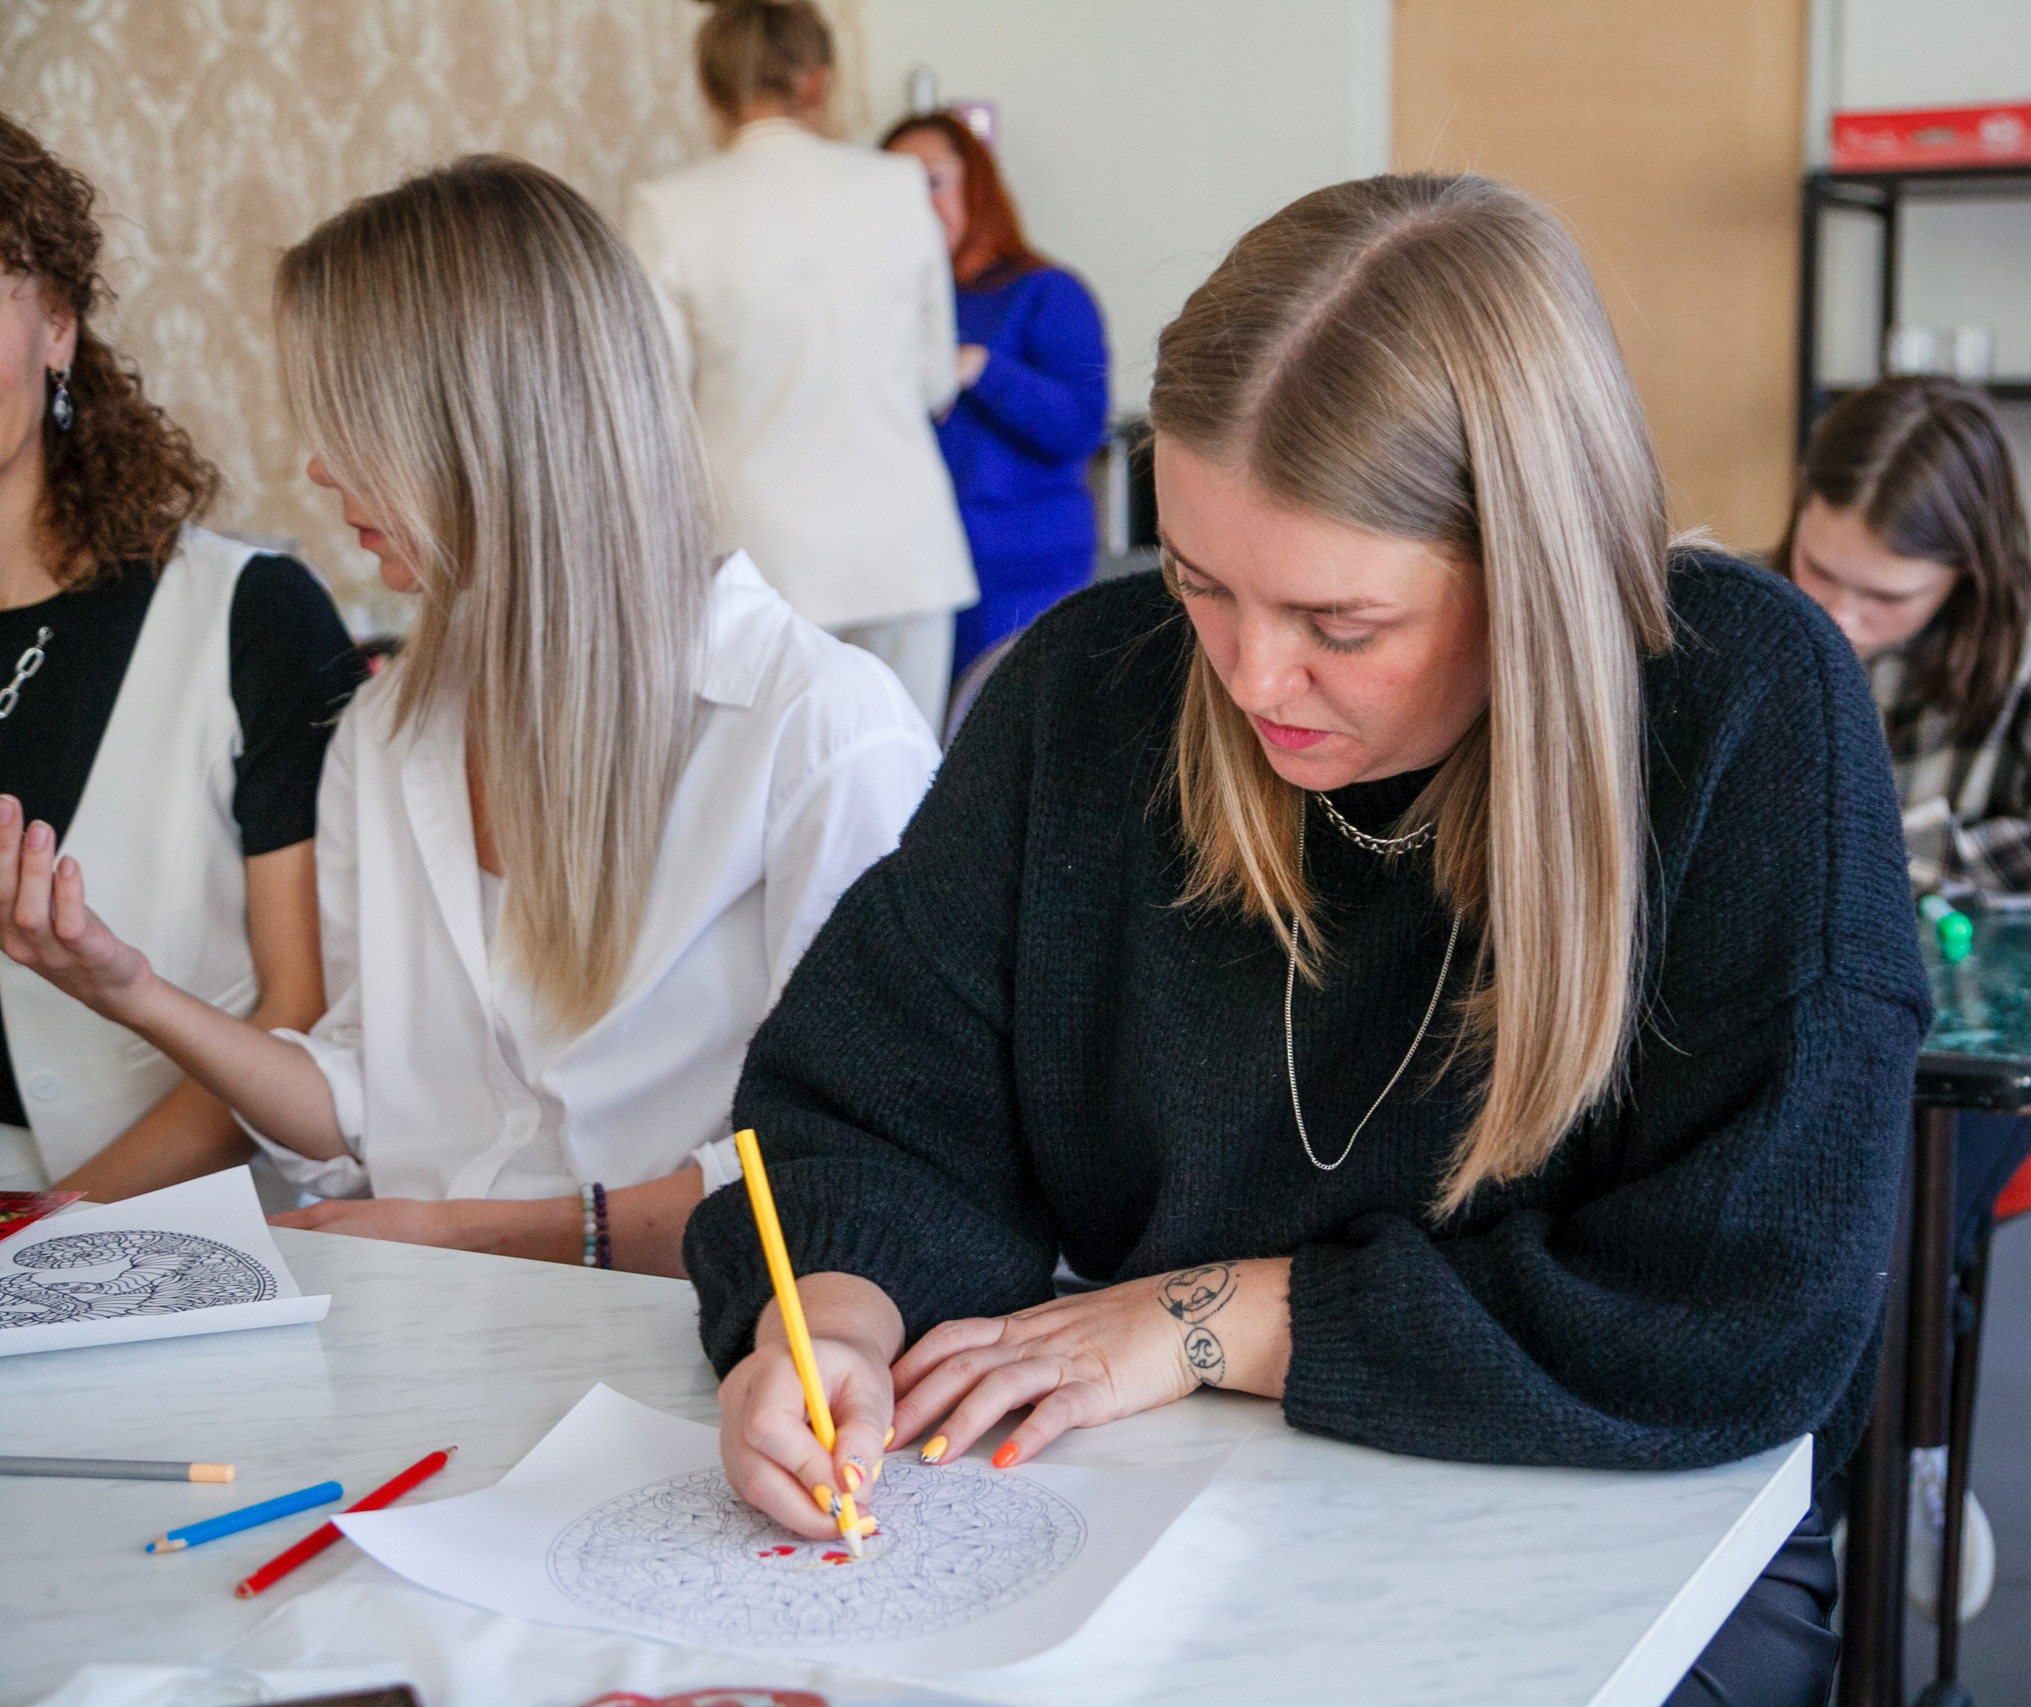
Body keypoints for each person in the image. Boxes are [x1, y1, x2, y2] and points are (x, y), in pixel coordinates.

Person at [688, 174, 1929, 1707]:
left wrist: (1217, 1318)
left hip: (1635, 1516)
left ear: (1533, 566)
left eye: (1340, 624)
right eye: (1200, 581)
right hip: (1185, 1489)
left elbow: (1746, 1313)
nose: (1252, 676)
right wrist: (827, 1318)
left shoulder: (1746, 706)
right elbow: (866, 1101)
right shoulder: (1089, 692)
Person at [0, 157, 938, 1278]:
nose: (318, 466)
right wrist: (133, 991)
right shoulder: (385, 732)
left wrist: (467, 1234)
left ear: (488, 426)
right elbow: (357, 1106)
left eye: (354, 421)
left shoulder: (821, 733)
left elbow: (856, 1171)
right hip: (429, 1318)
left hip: (694, 1340)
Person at [1779, 374, 2031, 1622]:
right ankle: (1818, 1469)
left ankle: (1887, 1466)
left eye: (1884, 596)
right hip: (1804, 1012)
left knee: (1886, 1193)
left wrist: (1891, 847)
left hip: (1973, 1034)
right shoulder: (1762, 614)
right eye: (1819, 568)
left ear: (1966, 570)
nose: (1838, 614)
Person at [0, 115, 363, 1199]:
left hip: (181, 1226)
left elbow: (301, 1011)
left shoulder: (252, 616)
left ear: (57, 326)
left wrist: (48, 1228)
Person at [630, 0, 976, 729]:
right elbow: (934, 379)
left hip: (760, 559)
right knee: (908, 779)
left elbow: (653, 405)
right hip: (904, 552)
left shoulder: (670, 209)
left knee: (763, 785)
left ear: (712, 89)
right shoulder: (897, 187)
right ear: (817, 82)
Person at [881, 112, 1111, 690]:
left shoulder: (1047, 292)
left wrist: (981, 369)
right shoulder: (888, 306)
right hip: (913, 572)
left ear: (976, 187)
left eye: (933, 181)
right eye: (895, 189)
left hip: (1022, 573)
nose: (916, 205)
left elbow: (1079, 426)